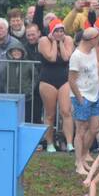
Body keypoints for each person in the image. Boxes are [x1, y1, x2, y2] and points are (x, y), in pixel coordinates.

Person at [69, 27, 99, 175]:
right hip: (81, 95)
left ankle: (83, 156)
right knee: (81, 129)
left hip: (94, 94)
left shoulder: (93, 51)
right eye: (98, 37)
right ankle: (78, 162)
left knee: (95, 128)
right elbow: (71, 80)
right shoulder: (76, 56)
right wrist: (79, 98)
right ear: (91, 39)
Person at [37, 17, 74, 153]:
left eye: (61, 31)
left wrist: (61, 43)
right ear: (51, 31)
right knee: (50, 115)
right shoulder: (43, 41)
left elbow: (66, 57)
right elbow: (52, 58)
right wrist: (53, 42)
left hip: (64, 79)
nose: (59, 33)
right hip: (47, 80)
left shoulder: (68, 40)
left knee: (66, 111)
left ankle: (69, 143)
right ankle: (50, 143)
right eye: (56, 31)